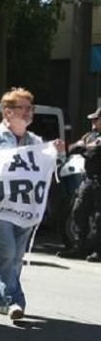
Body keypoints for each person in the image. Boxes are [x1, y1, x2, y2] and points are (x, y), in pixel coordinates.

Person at [0, 88, 64, 320]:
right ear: (7, 112)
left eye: (30, 108)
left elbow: (50, 170)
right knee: (6, 253)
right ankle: (15, 300)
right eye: (22, 108)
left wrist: (58, 154)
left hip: (26, 208)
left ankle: (0, 301)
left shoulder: (36, 141)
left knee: (15, 257)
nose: (28, 112)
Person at [58, 110, 101, 261]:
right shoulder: (90, 136)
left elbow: (93, 151)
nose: (93, 123)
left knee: (98, 218)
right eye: (93, 120)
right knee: (78, 212)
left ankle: (98, 251)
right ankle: (79, 248)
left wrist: (87, 147)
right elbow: (73, 148)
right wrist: (86, 146)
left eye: (97, 120)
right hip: (88, 180)